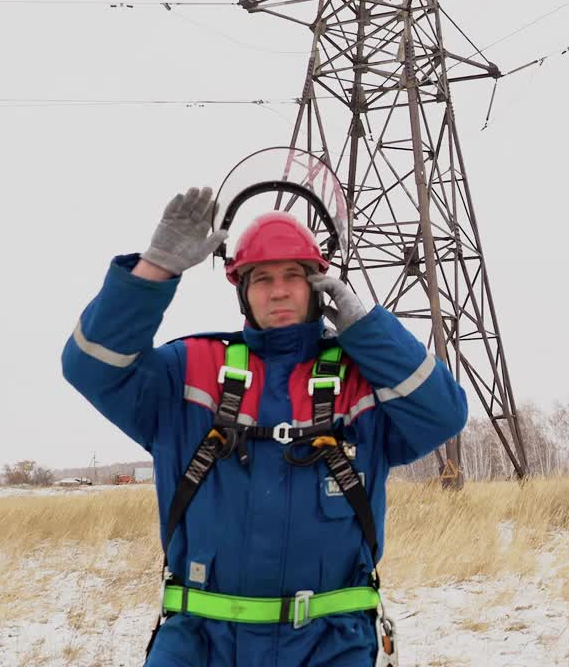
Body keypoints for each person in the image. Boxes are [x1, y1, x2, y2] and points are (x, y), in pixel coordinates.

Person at [62, 186, 468, 666]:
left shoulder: (361, 382)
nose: (278, 290)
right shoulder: (188, 371)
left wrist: (367, 328)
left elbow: (444, 412)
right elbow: (90, 367)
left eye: (294, 275)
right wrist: (156, 270)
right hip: (199, 644)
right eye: (262, 278)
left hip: (331, 645)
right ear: (242, 290)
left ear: (318, 284)